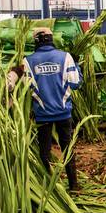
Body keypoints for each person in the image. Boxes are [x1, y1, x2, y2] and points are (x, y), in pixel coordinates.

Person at [24, 29, 82, 189]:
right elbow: (76, 84)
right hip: (63, 113)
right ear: (51, 39)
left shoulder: (28, 61)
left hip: (42, 115)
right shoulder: (65, 57)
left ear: (36, 41)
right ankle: (74, 185)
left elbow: (26, 88)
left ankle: (49, 187)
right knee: (67, 148)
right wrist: (77, 66)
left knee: (44, 151)